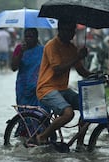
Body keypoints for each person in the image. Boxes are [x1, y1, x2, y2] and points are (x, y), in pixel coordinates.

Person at [35, 20, 91, 149]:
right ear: (60, 30)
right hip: (47, 88)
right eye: (68, 30)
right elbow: (58, 69)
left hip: (63, 89)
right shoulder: (51, 46)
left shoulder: (72, 48)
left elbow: (81, 71)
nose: (71, 34)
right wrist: (78, 57)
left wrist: (96, 74)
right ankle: (42, 136)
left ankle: (80, 143)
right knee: (68, 113)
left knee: (88, 108)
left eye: (73, 31)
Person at [11, 28, 46, 108]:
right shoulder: (19, 48)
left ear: (36, 37)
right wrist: (21, 53)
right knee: (24, 112)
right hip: (23, 87)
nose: (28, 39)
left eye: (31, 37)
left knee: (41, 112)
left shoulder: (43, 50)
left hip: (39, 87)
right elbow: (13, 67)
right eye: (26, 37)